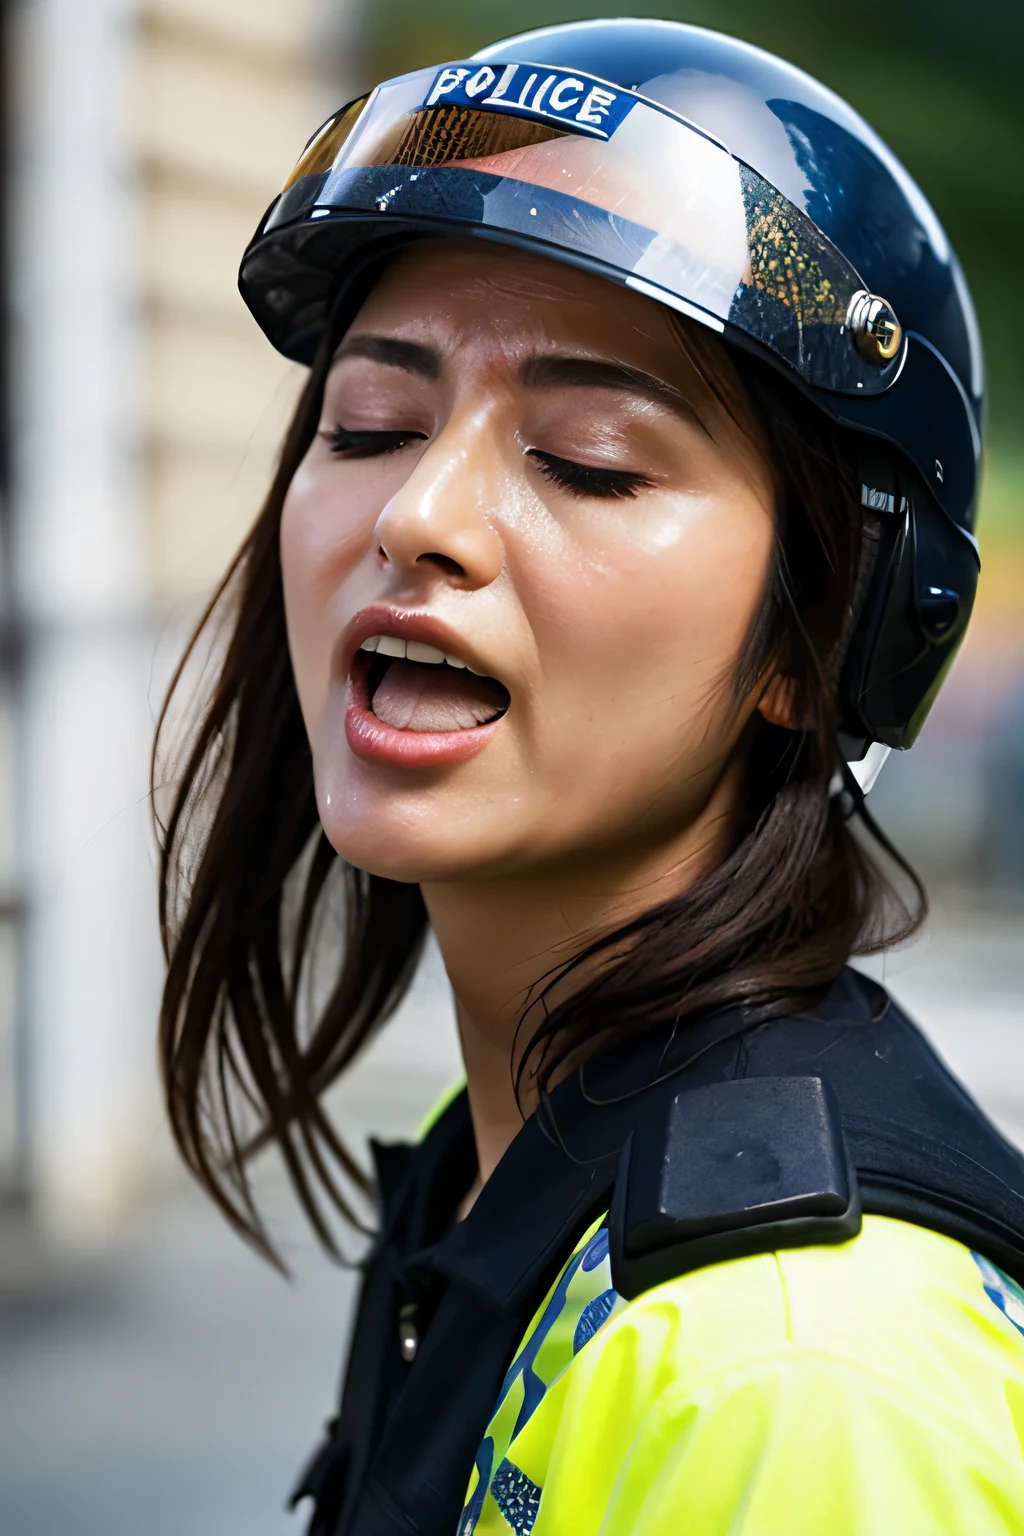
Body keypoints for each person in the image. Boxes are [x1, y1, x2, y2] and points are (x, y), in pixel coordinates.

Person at [153, 18, 1024, 1535]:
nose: (420, 511)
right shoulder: (510, 1154)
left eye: (590, 460)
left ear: (818, 638)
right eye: (371, 423)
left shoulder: (794, 1383)